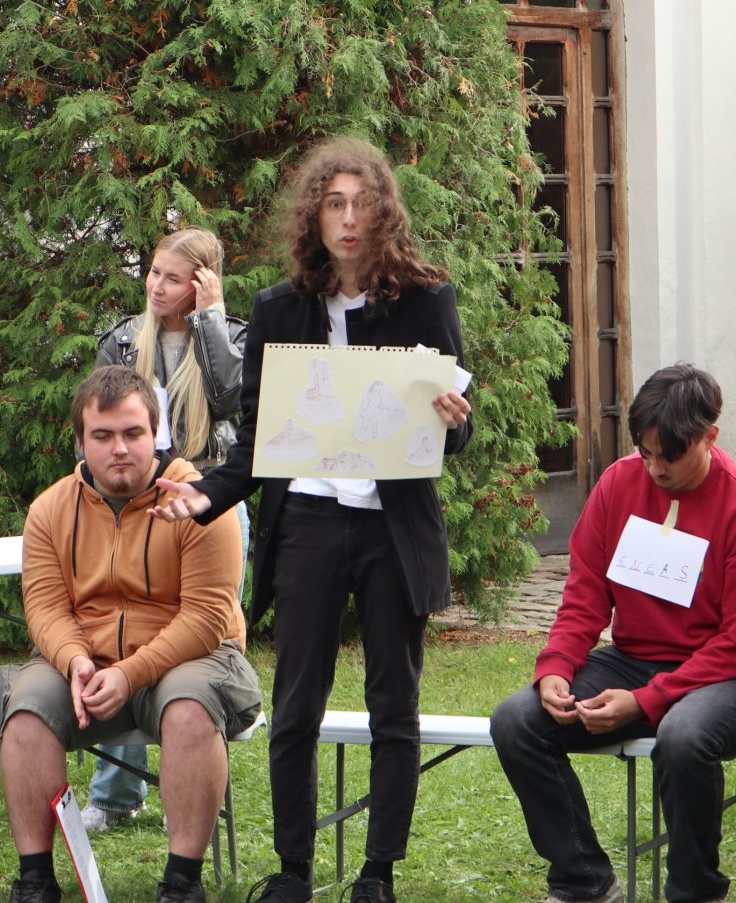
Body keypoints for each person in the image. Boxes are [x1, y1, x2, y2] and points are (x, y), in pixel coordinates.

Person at [148, 136, 473, 903]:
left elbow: (453, 431)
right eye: (334, 204)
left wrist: (455, 419)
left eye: (362, 204)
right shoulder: (279, 308)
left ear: (384, 212)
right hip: (308, 526)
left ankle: (377, 872)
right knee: (296, 704)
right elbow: (260, 440)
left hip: (393, 527)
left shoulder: (426, 300)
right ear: (315, 215)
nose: (349, 219)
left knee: (394, 703)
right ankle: (292, 868)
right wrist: (205, 495)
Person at [489, 363, 736, 903]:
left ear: (710, 437)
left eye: (669, 455)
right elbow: (586, 591)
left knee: (684, 736)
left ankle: (695, 893)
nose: (655, 468)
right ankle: (584, 881)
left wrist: (647, 700)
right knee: (516, 721)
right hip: (636, 658)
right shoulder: (619, 483)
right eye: (645, 451)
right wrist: (556, 666)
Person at [0, 365, 262, 903]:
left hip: (193, 657)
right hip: (86, 660)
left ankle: (181, 883)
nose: (120, 448)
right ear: (80, 441)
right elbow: (44, 607)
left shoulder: (201, 501)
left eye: (133, 433)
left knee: (189, 709)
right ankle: (35, 881)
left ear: (155, 434)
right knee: (25, 712)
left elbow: (207, 616)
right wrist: (74, 661)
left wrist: (129, 673)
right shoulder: (49, 509)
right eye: (103, 435)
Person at [85, 226, 248, 833]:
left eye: (173, 279)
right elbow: (98, 420)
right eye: (154, 272)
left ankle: (197, 772)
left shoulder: (232, 336)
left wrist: (210, 319)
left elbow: (231, 402)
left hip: (212, 495)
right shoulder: (124, 340)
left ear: (203, 283)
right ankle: (115, 793)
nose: (156, 286)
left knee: (202, 637)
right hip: (141, 500)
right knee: (123, 630)